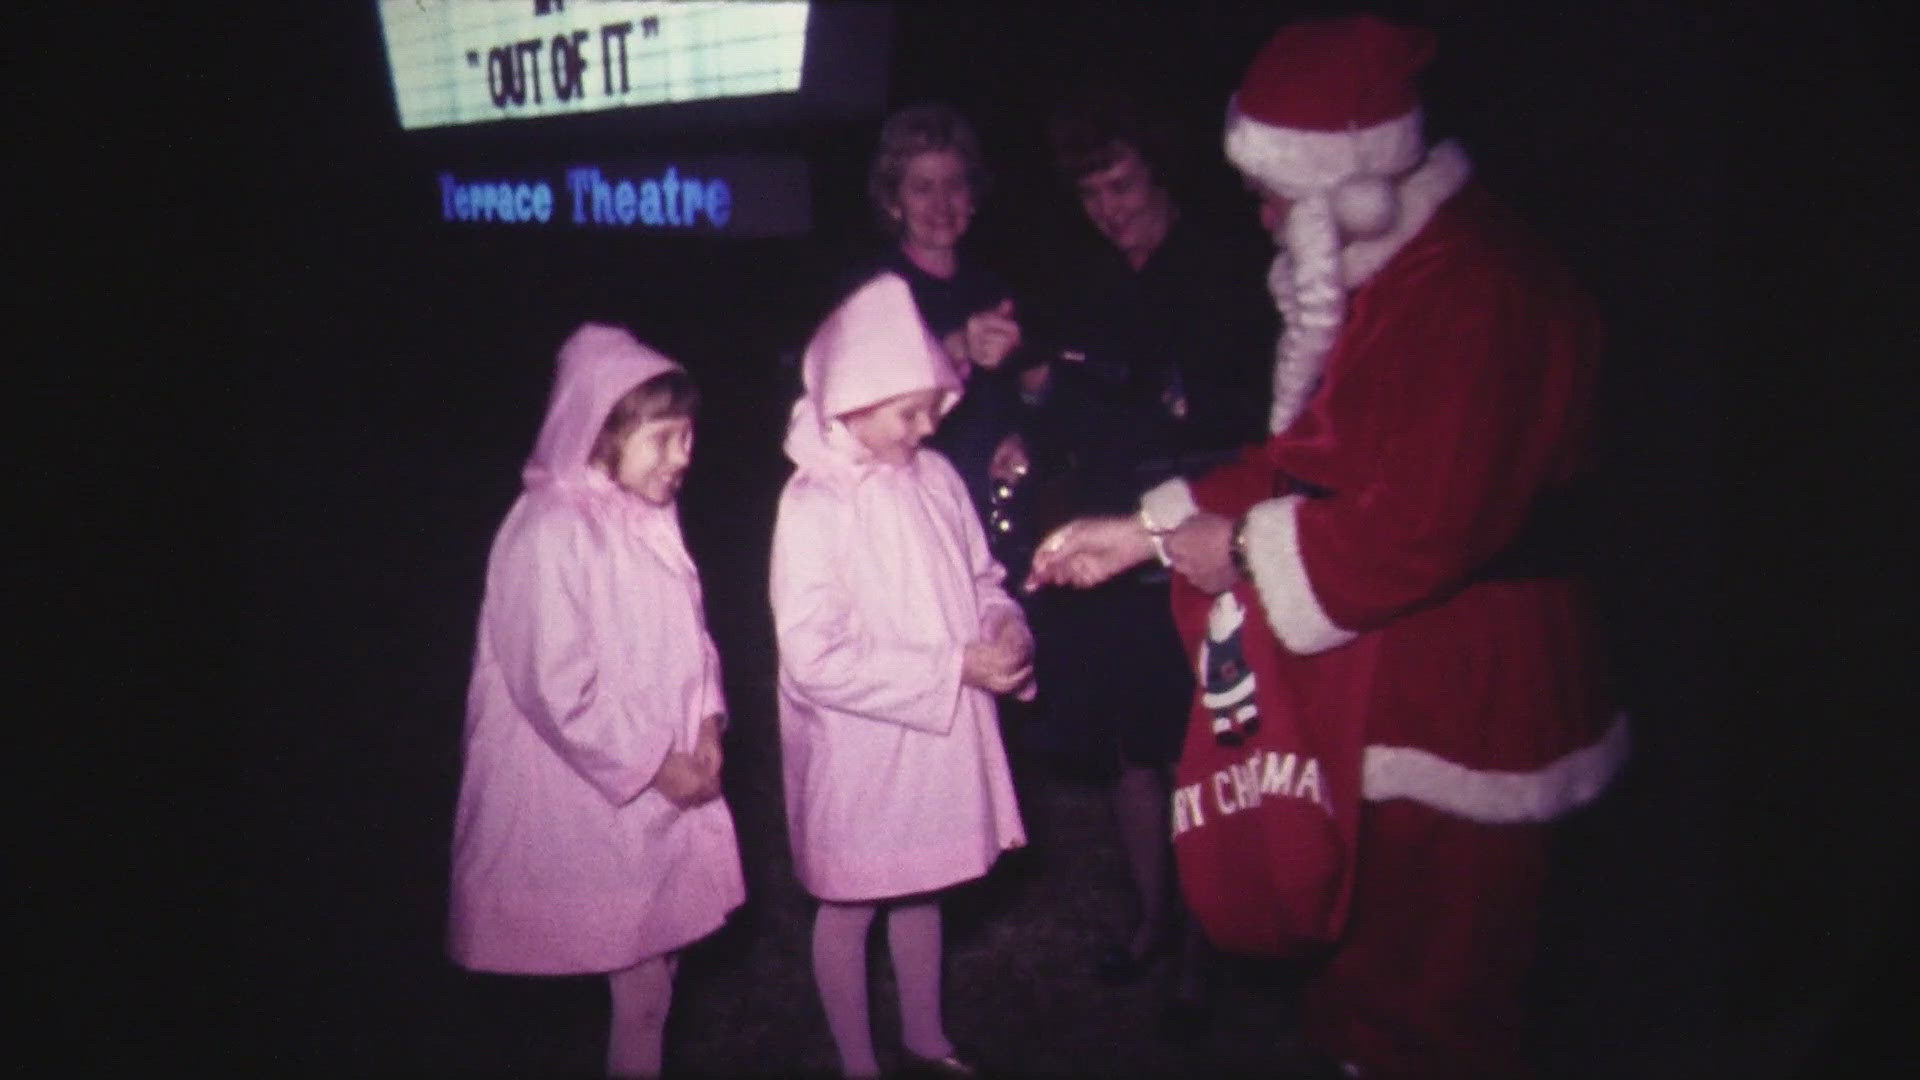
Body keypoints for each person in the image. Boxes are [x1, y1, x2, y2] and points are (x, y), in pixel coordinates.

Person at [1027, 15, 1629, 1078]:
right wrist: (1146, 531)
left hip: (1474, 701)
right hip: (1388, 681)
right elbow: (1303, 459)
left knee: (1445, 997)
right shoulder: (1391, 278)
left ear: (1352, 181)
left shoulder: (1477, 289)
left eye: (1274, 192)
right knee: (1365, 976)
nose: (1260, 215)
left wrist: (1240, 549)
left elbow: (1420, 525)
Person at [1009, 85, 1277, 1035]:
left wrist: (1144, 402)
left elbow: (1247, 421)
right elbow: (1070, 408)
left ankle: (1205, 948)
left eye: (1119, 185)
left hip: (1200, 540)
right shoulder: (1089, 280)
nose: (1109, 209)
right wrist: (1035, 409)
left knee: (1202, 743)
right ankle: (1152, 917)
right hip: (1114, 545)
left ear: (1155, 172)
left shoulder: (1226, 269)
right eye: (1091, 196)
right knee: (1134, 748)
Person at [446, 324, 746, 1079]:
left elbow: (693, 634)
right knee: (637, 971)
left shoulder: (649, 521)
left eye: (689, 436)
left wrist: (707, 717)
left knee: (652, 968)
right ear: (601, 430)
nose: (685, 456)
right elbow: (552, 682)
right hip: (587, 790)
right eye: (665, 438)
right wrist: (653, 763)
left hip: (660, 779)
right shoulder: (547, 530)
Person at [772, 273, 1034, 1078]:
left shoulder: (936, 479)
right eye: (909, 411)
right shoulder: (815, 504)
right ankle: (859, 1061)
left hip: (937, 736)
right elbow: (813, 652)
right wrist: (950, 666)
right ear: (852, 400)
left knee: (922, 881)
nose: (929, 425)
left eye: (932, 407)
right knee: (852, 898)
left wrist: (1003, 625)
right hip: (860, 743)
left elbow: (981, 575)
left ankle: (926, 1036)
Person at [851, 103, 1029, 543]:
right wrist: (956, 347)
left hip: (994, 514)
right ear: (894, 202)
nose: (942, 204)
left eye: (955, 185)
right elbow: (863, 406)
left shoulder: (992, 285)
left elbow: (1016, 400)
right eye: (922, 188)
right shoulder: (872, 291)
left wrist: (1023, 435)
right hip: (912, 517)